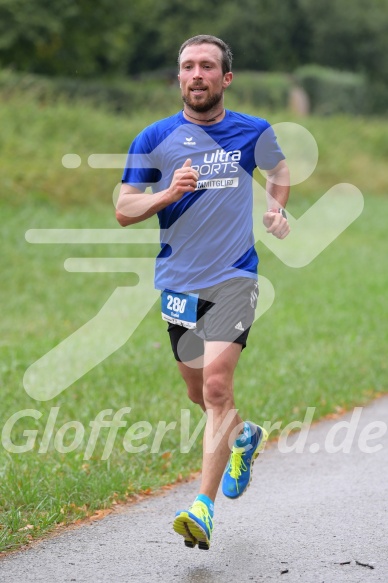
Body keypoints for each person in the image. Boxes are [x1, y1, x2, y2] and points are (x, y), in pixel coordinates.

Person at [116, 34, 290, 550]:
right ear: (179, 78)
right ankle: (243, 437)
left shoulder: (252, 131)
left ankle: (202, 508)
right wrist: (167, 193)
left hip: (235, 276)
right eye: (188, 67)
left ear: (225, 78)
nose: (196, 75)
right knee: (198, 392)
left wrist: (276, 207)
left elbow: (279, 168)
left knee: (216, 386)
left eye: (207, 67)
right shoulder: (154, 138)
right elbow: (124, 209)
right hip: (177, 284)